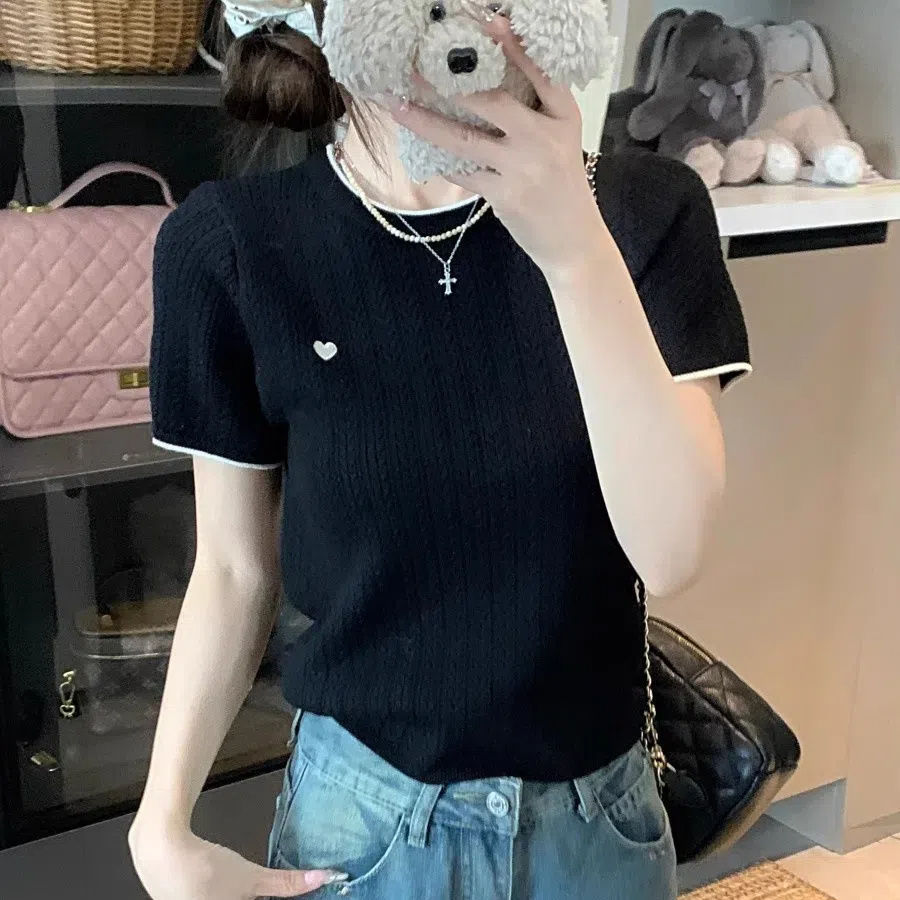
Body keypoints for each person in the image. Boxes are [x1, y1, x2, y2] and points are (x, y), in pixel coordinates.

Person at [127, 3, 751, 899]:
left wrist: (576, 251)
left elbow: (672, 551)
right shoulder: (232, 244)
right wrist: (160, 823)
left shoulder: (649, 211)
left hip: (595, 825)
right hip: (362, 826)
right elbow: (232, 567)